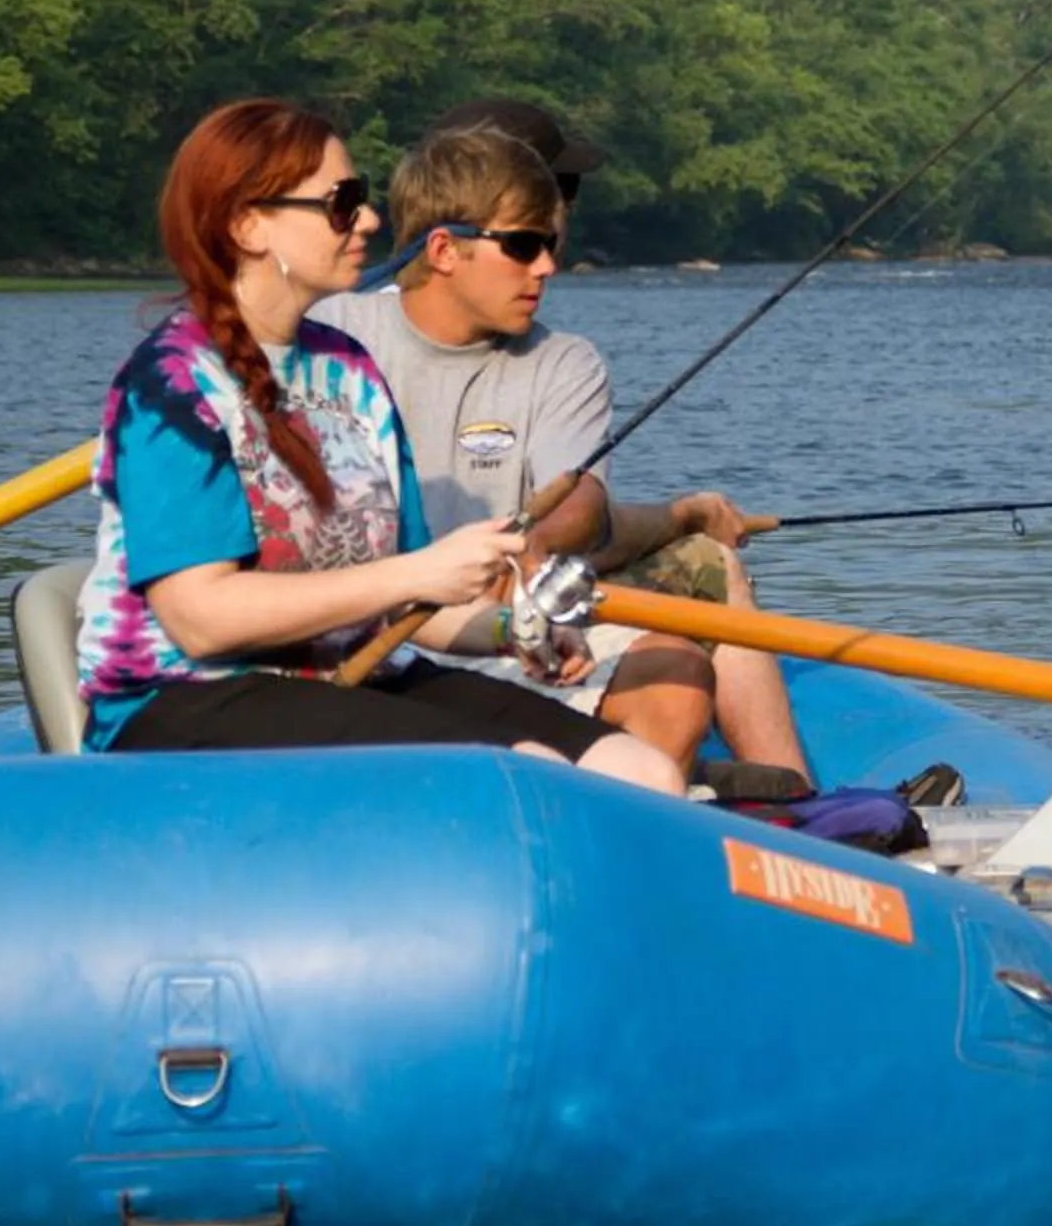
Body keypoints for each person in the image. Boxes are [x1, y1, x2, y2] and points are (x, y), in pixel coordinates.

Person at [72, 96, 685, 797]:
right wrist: (417, 575)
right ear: (247, 225)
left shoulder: (351, 371)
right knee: (530, 781)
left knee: (641, 771)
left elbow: (413, 606)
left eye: (361, 199)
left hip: (357, 675)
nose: (368, 219)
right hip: (187, 702)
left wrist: (517, 629)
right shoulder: (170, 384)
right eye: (342, 202)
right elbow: (202, 619)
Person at [317, 103, 814, 792]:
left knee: (678, 666)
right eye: (526, 241)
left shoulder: (566, 362)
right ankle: (747, 782)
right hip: (378, 627)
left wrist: (532, 553)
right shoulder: (330, 339)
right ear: (442, 248)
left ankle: (742, 807)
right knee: (709, 563)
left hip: (508, 616)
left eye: (552, 228)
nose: (550, 261)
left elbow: (581, 505)